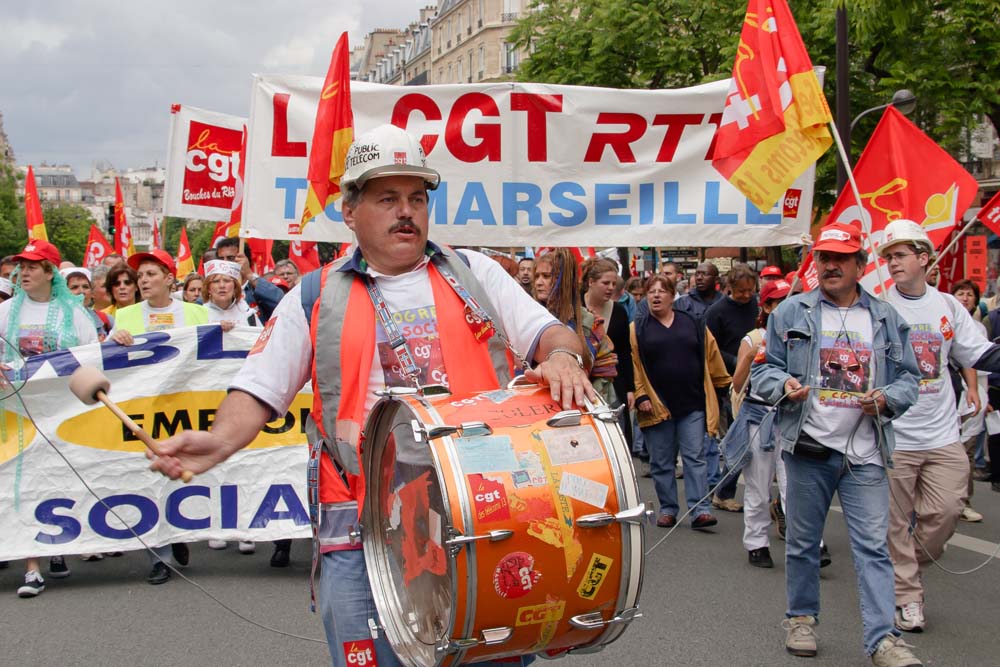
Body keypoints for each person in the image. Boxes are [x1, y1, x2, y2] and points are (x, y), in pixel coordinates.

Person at [149, 124, 594, 667]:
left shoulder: (476, 273)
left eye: (416, 198)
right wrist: (219, 441)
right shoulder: (312, 296)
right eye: (387, 198)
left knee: (491, 657)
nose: (406, 211)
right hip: (359, 523)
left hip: (481, 511)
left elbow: (553, 333)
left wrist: (564, 356)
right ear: (350, 210)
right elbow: (260, 386)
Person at [751, 221, 922, 666]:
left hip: (866, 454)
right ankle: (801, 617)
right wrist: (783, 383)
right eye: (824, 258)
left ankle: (883, 640)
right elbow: (762, 371)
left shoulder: (885, 317)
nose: (830, 265)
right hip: (809, 448)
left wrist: (885, 399)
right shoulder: (791, 312)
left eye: (840, 259)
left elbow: (909, 378)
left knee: (873, 548)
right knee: (804, 542)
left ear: (860, 266)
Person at [878, 220, 1000, 634]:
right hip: (895, 436)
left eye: (899, 255)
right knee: (896, 523)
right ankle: (907, 597)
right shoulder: (878, 307)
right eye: (887, 257)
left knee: (946, 511)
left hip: (943, 434)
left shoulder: (948, 306)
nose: (891, 263)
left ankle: (901, 565)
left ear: (923, 259)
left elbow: (980, 353)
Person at [0, 240, 98, 597]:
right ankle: (31, 568)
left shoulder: (74, 314)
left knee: (58, 482)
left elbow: (94, 357)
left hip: (60, 412)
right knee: (22, 483)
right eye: (21, 266)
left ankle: (56, 546)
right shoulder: (6, 311)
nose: (24, 272)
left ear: (50, 273)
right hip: (16, 412)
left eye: (33, 266)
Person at [109, 248, 209, 585]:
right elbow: (107, 359)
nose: (143, 281)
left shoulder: (196, 313)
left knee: (182, 474)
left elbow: (215, 355)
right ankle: (159, 555)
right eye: (141, 277)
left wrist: (225, 329)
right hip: (146, 413)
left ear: (169, 279)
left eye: (151, 274)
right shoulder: (125, 318)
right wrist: (114, 341)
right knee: (149, 479)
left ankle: (178, 534)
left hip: (187, 410)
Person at [631, 274, 731, 530]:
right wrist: (640, 395)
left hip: (692, 402)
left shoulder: (693, 323)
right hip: (656, 404)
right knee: (661, 462)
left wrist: (722, 385)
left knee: (694, 457)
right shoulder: (638, 328)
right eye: (651, 291)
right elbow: (634, 367)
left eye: (661, 291)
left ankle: (700, 510)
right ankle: (668, 509)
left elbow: (712, 355)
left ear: (672, 295)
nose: (656, 295)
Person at [721, 278, 791, 567]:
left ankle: (812, 543)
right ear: (767, 306)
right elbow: (737, 385)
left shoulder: (803, 335)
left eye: (791, 299)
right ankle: (757, 543)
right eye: (779, 302)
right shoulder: (752, 338)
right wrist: (752, 355)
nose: (787, 307)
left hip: (790, 417)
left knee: (795, 487)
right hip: (759, 417)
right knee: (758, 488)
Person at [707, 263, 760, 512]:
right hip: (730, 380)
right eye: (741, 291)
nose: (747, 295)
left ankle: (726, 489)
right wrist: (738, 360)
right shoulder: (717, 311)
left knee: (748, 440)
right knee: (739, 439)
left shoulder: (756, 305)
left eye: (751, 290)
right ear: (730, 288)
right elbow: (711, 347)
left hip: (758, 377)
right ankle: (724, 491)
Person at [582, 258, 635, 451]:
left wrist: (630, 388)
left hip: (613, 382)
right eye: (605, 283)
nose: (610, 288)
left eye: (613, 284)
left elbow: (624, 352)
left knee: (616, 435)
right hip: (583, 379)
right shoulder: (574, 306)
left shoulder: (619, 311)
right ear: (591, 282)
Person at [952, 279, 991, 501]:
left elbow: (977, 362)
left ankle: (962, 500)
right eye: (960, 293)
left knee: (966, 450)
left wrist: (979, 394)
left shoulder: (979, 329)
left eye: (969, 294)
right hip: (950, 398)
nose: (965, 298)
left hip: (972, 398)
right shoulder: (944, 321)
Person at [216, 237, 285, 322]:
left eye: (230, 258)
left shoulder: (255, 289)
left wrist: (249, 274)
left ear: (246, 260)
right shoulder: (211, 292)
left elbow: (281, 301)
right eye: (220, 259)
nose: (225, 263)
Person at [202, 260, 260, 331]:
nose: (222, 285)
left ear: (235, 287)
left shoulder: (248, 314)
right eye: (216, 281)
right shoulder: (199, 315)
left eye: (227, 281)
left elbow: (262, 339)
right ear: (208, 288)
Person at [61, 266, 112, 341]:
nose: (81, 292)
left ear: (92, 293)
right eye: (74, 287)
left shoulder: (107, 319)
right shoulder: (53, 321)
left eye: (85, 287)